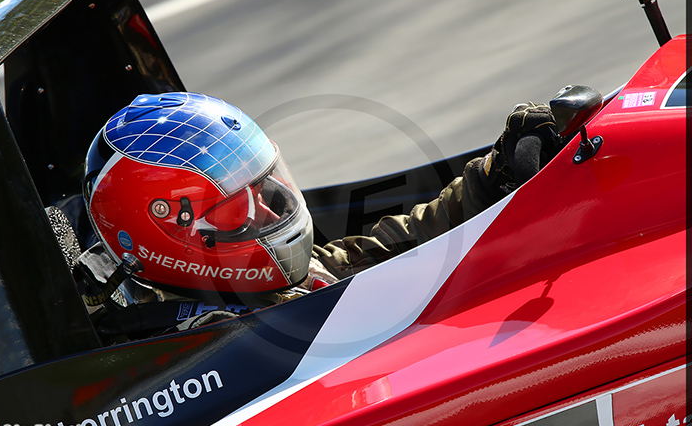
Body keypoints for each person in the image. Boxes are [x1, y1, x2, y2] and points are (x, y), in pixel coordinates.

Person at [81, 92, 559, 333]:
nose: (268, 210)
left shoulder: (269, 289)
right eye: (235, 209)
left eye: (265, 185)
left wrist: (492, 174)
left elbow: (393, 250)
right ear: (167, 235)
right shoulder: (201, 344)